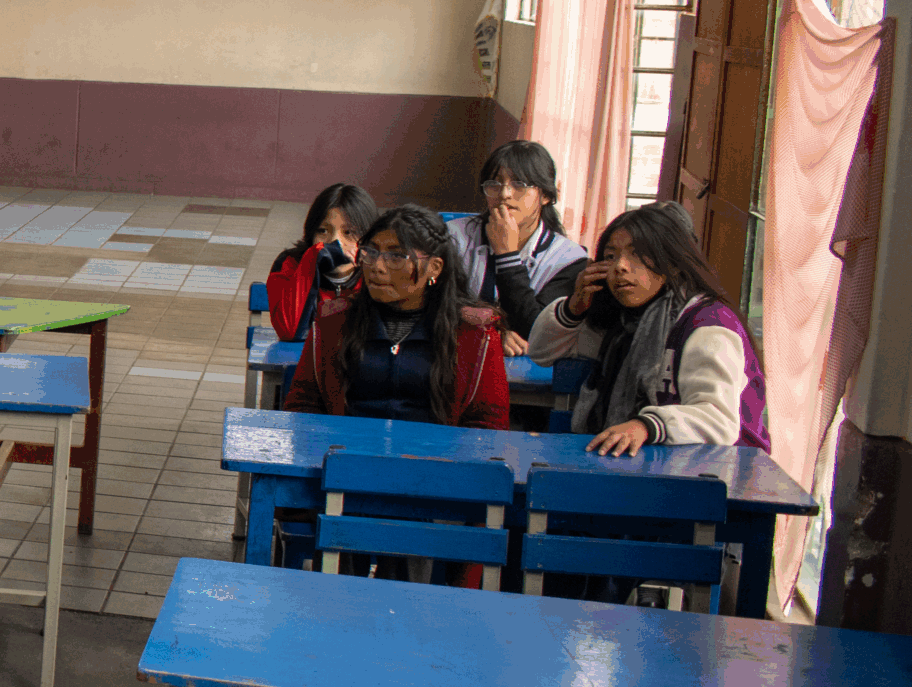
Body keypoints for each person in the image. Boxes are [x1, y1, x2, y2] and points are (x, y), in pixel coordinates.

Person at [529, 202, 768, 456]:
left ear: (672, 263)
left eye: (637, 254)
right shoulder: (622, 326)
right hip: (643, 467)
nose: (620, 266)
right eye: (610, 256)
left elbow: (718, 419)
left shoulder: (707, 324)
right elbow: (541, 352)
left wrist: (644, 425)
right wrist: (573, 308)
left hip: (722, 473)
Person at [284, 205, 508, 429]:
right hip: (347, 454)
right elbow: (304, 404)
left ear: (435, 267)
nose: (377, 267)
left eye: (396, 256)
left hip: (437, 459)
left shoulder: (475, 333)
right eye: (370, 252)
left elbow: (487, 423)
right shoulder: (334, 321)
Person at [448, 139, 590, 352]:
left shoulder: (569, 259)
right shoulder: (454, 236)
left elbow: (537, 330)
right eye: (494, 184)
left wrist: (507, 256)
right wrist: (490, 333)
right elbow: (433, 303)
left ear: (547, 195)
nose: (504, 194)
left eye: (519, 184)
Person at [264, 183, 375, 343]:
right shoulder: (289, 264)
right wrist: (311, 261)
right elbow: (289, 331)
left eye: (349, 232)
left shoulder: (377, 271)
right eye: (323, 231)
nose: (335, 241)